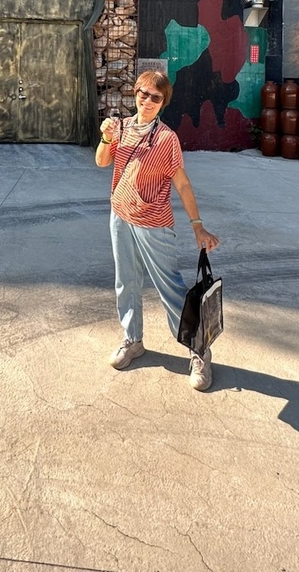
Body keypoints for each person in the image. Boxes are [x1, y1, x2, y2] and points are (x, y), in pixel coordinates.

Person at [96, 70, 220, 391]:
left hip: (153, 223)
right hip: (120, 216)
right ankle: (132, 339)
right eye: (143, 94)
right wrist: (106, 136)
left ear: (163, 102)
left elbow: (182, 184)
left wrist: (198, 226)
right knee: (126, 282)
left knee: (171, 289)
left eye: (156, 97)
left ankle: (199, 350)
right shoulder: (122, 128)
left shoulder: (166, 139)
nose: (148, 101)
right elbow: (102, 161)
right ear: (135, 93)